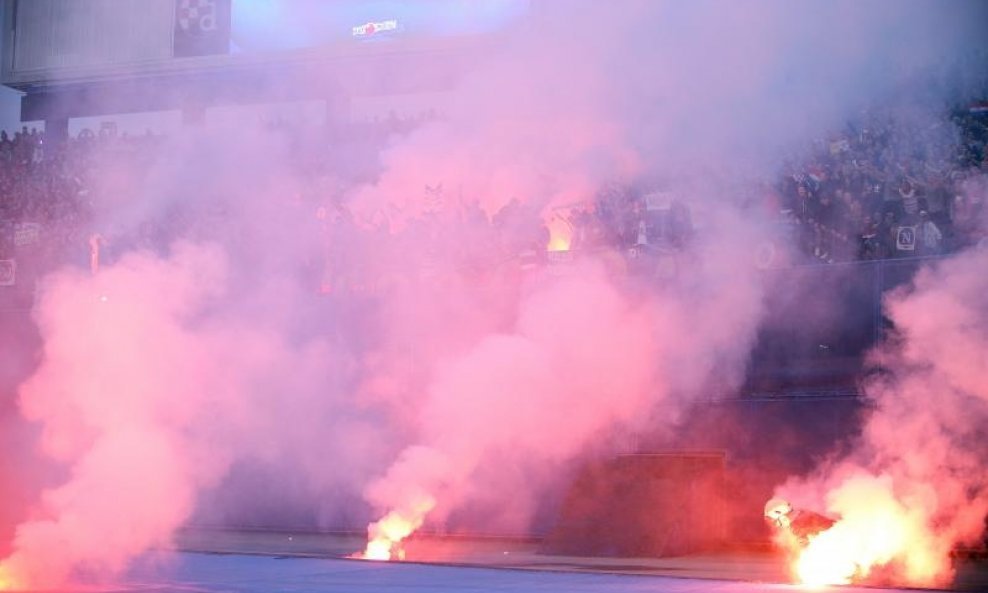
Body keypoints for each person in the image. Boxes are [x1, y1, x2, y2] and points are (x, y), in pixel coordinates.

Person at [764, 498, 836, 547]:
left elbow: (807, 548)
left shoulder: (797, 525)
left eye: (775, 522)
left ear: (782, 516)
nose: (777, 525)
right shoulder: (801, 514)